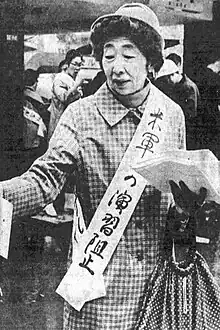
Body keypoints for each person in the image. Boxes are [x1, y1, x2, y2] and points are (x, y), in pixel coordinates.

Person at [0, 4, 187, 329]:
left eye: (129, 55)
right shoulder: (80, 114)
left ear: (150, 60)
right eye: (109, 55)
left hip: (158, 283)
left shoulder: (170, 115)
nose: (117, 67)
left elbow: (176, 194)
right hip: (98, 283)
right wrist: (2, 197)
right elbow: (44, 180)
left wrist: (189, 206)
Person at [47, 49, 85, 140]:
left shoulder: (71, 79)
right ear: (67, 64)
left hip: (72, 122)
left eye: (79, 65)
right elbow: (63, 97)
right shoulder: (59, 79)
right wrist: (76, 86)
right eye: (75, 64)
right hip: (60, 122)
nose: (77, 68)